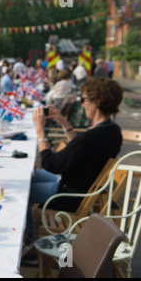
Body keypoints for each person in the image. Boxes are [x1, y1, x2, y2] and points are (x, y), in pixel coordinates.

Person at [25, 78, 124, 245]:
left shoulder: (92, 137)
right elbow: (81, 152)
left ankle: (30, 244)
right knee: (30, 174)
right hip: (78, 185)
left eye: (84, 99)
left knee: (24, 191)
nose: (82, 104)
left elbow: (51, 164)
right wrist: (64, 123)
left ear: (96, 101)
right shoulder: (112, 131)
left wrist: (40, 132)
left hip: (69, 194)